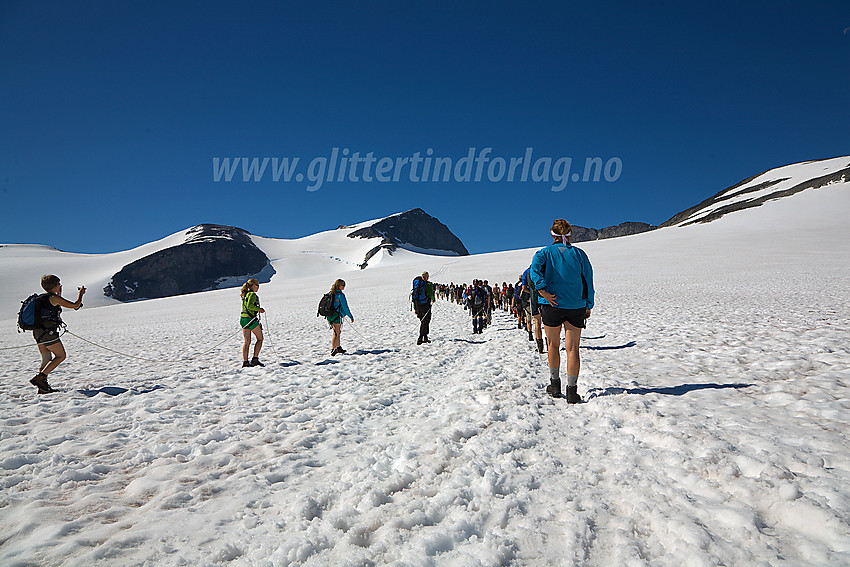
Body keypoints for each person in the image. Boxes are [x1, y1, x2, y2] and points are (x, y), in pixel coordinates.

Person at [530, 219, 595, 403]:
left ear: (552, 234)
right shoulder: (580, 254)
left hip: (551, 305)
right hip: (576, 305)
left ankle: (555, 385)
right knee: (573, 349)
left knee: (553, 345)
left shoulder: (543, 253)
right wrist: (588, 304)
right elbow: (588, 279)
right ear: (569, 234)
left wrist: (543, 291)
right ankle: (572, 391)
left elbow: (534, 273)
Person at [29, 275, 86, 394]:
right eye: (58, 283)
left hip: (38, 332)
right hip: (48, 333)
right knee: (61, 356)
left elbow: (52, 307)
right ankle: (41, 377)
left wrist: (58, 294)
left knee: (46, 359)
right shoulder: (53, 298)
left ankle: (43, 387)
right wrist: (81, 294)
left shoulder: (41, 298)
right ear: (55, 285)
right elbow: (75, 305)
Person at [240, 278, 265, 367]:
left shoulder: (245, 295)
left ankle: (245, 362)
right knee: (260, 339)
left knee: (247, 341)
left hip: (243, 319)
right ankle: (255, 359)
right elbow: (250, 306)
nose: (258, 287)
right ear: (253, 286)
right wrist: (259, 309)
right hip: (251, 320)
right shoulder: (252, 295)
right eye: (257, 285)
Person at [327, 279, 354, 355]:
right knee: (336, 333)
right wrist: (350, 316)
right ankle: (333, 349)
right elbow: (345, 307)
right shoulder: (340, 295)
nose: (344, 287)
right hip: (336, 316)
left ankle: (338, 348)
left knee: (337, 332)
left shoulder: (332, 293)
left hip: (330, 316)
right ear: (339, 286)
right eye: (343, 285)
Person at [412, 271, 436, 345]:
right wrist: (433, 299)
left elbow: (414, 298)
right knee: (426, 321)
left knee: (423, 321)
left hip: (418, 306)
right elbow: (431, 294)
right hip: (425, 305)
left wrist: (415, 308)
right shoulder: (427, 285)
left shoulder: (417, 285)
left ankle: (425, 337)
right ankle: (420, 338)